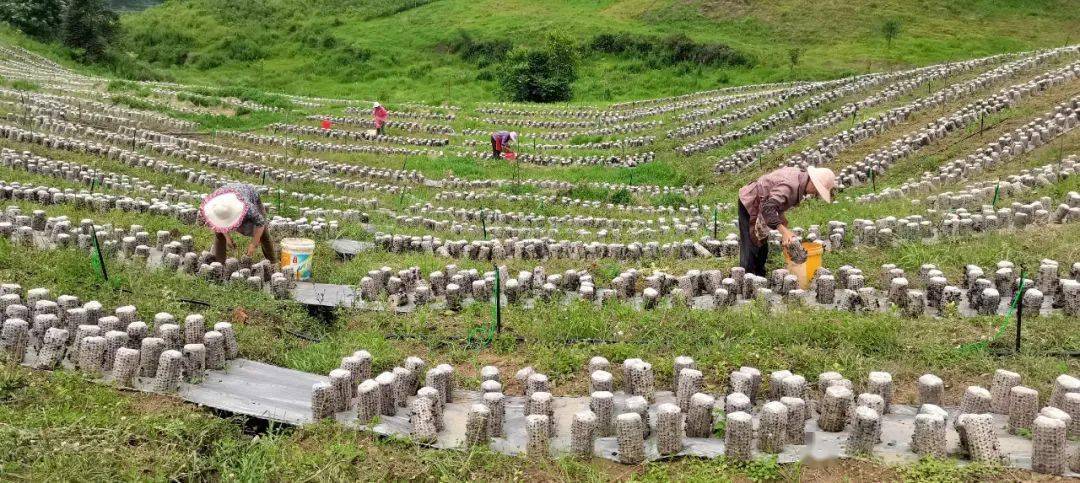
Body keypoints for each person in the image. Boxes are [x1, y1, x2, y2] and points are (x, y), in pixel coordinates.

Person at [737, 166, 836, 276]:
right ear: (813, 182)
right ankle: (746, 277)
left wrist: (782, 218)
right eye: (817, 191)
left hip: (762, 201)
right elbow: (768, 207)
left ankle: (759, 274)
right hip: (751, 200)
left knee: (761, 239)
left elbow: (775, 199)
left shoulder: (799, 178)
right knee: (751, 243)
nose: (815, 194)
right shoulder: (791, 185)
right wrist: (784, 232)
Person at [200, 183, 275, 264]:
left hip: (250, 193)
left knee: (264, 233)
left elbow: (260, 224)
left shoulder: (249, 208)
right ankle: (219, 263)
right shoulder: (215, 205)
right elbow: (219, 224)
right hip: (229, 193)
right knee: (219, 233)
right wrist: (227, 237)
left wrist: (254, 244)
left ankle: (273, 262)